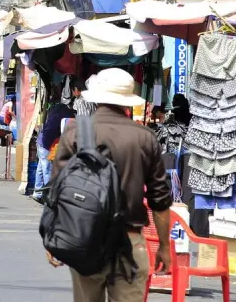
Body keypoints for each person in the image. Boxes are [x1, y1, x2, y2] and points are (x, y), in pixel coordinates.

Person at [48, 68, 172, 300]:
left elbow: (57, 191)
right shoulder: (144, 137)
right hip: (130, 242)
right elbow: (160, 200)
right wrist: (164, 246)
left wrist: (53, 237)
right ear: (127, 102)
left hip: (84, 238)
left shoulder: (75, 132)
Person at [32, 84, 75, 203]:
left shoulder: (58, 109)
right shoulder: (67, 115)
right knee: (47, 169)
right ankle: (49, 196)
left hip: (42, 140)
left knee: (41, 168)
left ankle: (38, 192)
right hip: (45, 143)